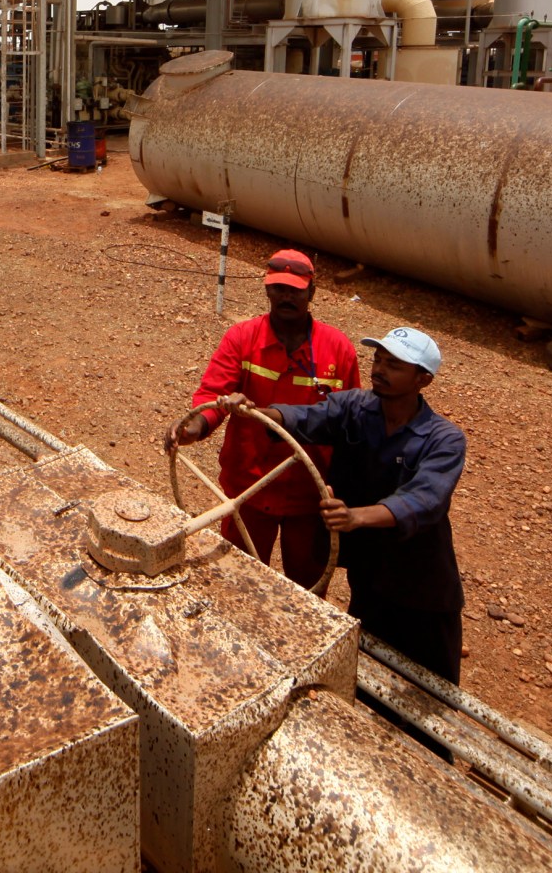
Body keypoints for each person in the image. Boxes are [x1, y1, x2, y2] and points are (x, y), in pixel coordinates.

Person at [232, 324, 467, 700]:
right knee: (369, 676)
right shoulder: (355, 407)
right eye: (378, 360)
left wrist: (356, 517)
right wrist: (255, 413)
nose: (379, 370)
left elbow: (426, 499)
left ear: (423, 379)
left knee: (430, 695)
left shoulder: (444, 439)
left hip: (421, 584)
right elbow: (306, 418)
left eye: (394, 365)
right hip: (369, 574)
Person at [163, 249, 360, 588]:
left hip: (310, 494)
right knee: (240, 583)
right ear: (267, 290)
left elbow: (352, 422)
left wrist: (346, 490)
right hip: (248, 489)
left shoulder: (338, 349)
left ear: (312, 293)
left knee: (307, 590)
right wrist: (192, 427)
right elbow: (214, 395)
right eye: (279, 288)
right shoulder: (242, 338)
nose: (286, 297)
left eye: (295, 290)